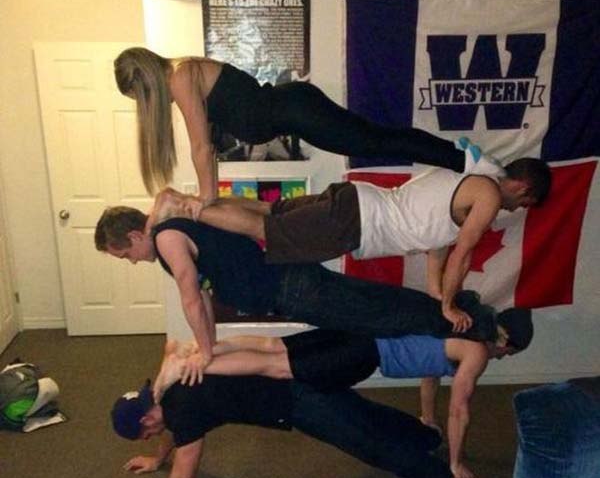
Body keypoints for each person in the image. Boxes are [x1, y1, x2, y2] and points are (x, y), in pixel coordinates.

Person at [151, 301, 533, 478]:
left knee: (272, 349)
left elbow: (431, 373)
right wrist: (455, 464)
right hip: (361, 352)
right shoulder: (476, 352)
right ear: (504, 343)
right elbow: (460, 410)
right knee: (277, 366)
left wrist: (428, 421)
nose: (503, 358)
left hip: (356, 335)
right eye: (509, 353)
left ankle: (200, 351)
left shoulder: (459, 324)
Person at [151, 157, 551, 329]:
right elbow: (463, 253)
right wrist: (449, 305)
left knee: (269, 212)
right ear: (522, 187)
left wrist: (435, 292)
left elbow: (440, 243)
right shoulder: (489, 195)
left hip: (353, 203)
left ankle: (186, 201)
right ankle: (184, 208)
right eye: (525, 203)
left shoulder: (468, 181)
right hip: (358, 220)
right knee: (267, 231)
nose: (517, 209)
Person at [94, 212, 498, 381]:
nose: (132, 262)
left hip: (292, 286)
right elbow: (203, 293)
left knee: (380, 315)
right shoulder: (172, 233)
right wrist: (208, 344)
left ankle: (469, 322)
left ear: (135, 235)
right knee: (377, 306)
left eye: (125, 254)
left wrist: (205, 351)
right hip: (291, 285)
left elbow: (191, 299)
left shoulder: (167, 238)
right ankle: (460, 314)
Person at [114, 47, 502, 201]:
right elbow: (208, 149)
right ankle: (459, 156)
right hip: (295, 108)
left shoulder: (181, 77)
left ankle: (463, 159)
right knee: (376, 140)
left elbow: (201, 147)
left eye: (141, 98)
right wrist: (208, 196)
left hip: (295, 109)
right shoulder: (184, 74)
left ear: (145, 83)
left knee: (375, 142)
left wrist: (207, 200)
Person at [111, 346, 481, 478]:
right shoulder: (168, 395)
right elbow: (172, 429)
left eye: (147, 433)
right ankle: (427, 438)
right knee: (365, 414)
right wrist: (157, 459)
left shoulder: (181, 412)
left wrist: (164, 464)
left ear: (146, 424)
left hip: (298, 402)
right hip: (297, 374)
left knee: (371, 445)